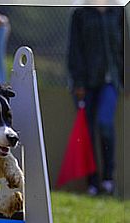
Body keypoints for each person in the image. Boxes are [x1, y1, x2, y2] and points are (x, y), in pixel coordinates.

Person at [67, 7, 124, 196]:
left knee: (104, 124)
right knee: (87, 133)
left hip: (110, 81)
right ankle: (92, 183)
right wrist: (78, 83)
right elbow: (74, 50)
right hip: (85, 83)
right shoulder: (80, 13)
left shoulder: (117, 11)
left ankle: (108, 179)